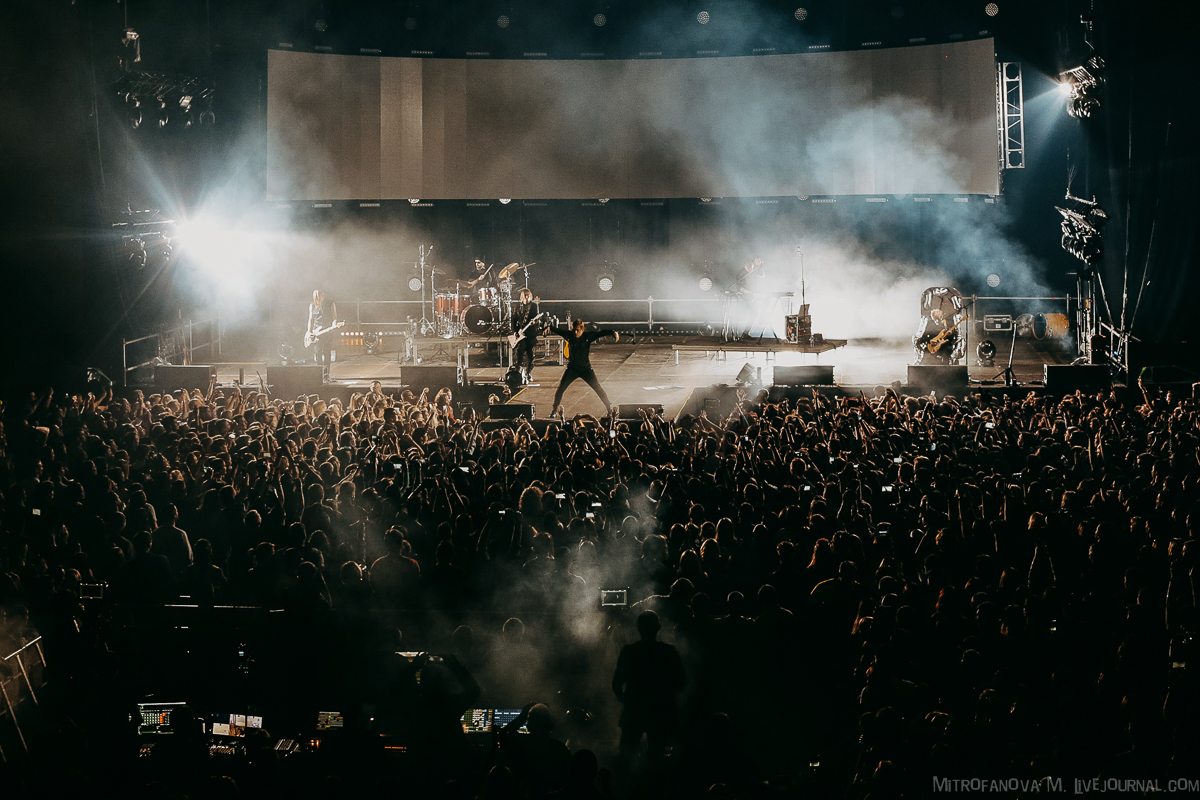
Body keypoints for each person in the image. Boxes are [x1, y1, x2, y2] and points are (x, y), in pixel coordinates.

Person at [611, 610, 685, 763]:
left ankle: (622, 785)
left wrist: (626, 699)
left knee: (626, 757)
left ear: (639, 628)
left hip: (634, 711)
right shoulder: (669, 652)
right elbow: (680, 684)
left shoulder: (629, 652)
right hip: (660, 711)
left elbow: (616, 684)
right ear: (658, 627)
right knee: (656, 760)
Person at [509, 288, 544, 383]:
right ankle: (518, 373)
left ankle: (528, 373)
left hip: (531, 333)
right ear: (522, 296)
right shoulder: (517, 306)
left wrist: (534, 321)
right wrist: (515, 331)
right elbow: (513, 320)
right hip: (521, 334)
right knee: (519, 354)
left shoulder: (533, 306)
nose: (527, 296)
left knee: (530, 355)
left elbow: (537, 318)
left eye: (528, 295)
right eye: (525, 295)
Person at [306, 289, 339, 377]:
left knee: (327, 352)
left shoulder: (330, 303)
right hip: (317, 332)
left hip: (327, 330)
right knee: (318, 352)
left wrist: (333, 325)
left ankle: (326, 373)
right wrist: (309, 332)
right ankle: (319, 372)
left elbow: (334, 317)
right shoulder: (312, 305)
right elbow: (310, 319)